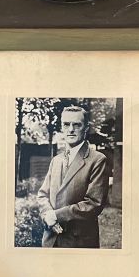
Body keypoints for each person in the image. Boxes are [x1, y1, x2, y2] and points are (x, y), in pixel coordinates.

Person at [36, 105, 109, 248]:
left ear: (86, 128)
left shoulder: (98, 160)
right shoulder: (56, 160)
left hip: (78, 242)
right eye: (66, 124)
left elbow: (94, 203)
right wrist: (47, 214)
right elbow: (42, 194)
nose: (70, 129)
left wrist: (56, 216)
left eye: (76, 125)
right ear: (61, 127)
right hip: (50, 240)